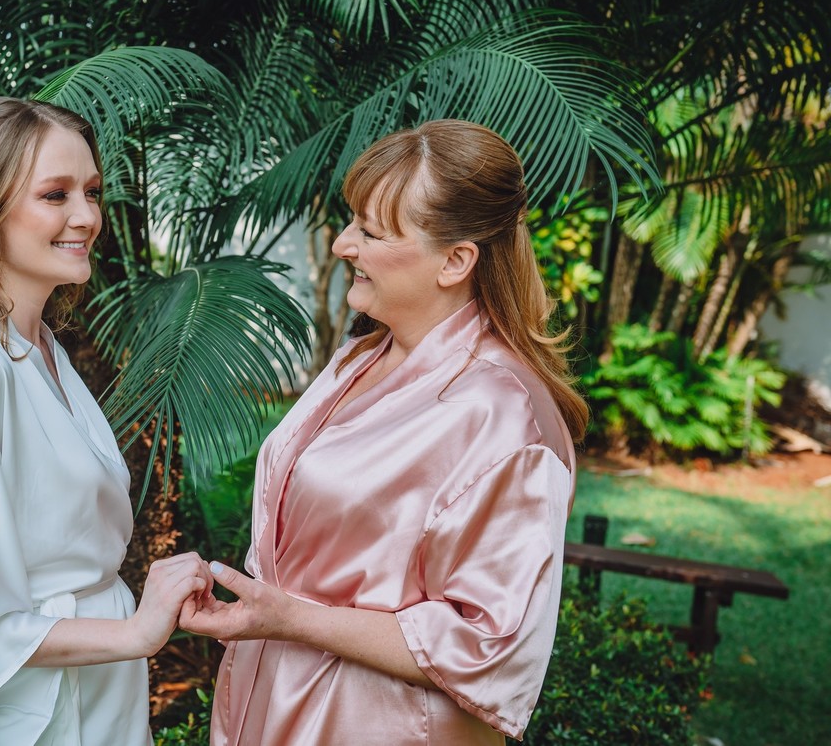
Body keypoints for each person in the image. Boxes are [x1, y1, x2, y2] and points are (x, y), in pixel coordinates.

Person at [180, 119, 588, 745]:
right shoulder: (357, 359)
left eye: (370, 232)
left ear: (455, 261)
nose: (343, 244)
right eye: (352, 222)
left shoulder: (505, 415)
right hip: (277, 699)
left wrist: (289, 617)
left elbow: (489, 644)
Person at [0, 97, 211, 746]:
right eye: (55, 195)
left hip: (92, 694)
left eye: (92, 191)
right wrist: (138, 631)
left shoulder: (37, 344)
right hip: (33, 717)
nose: (87, 217)